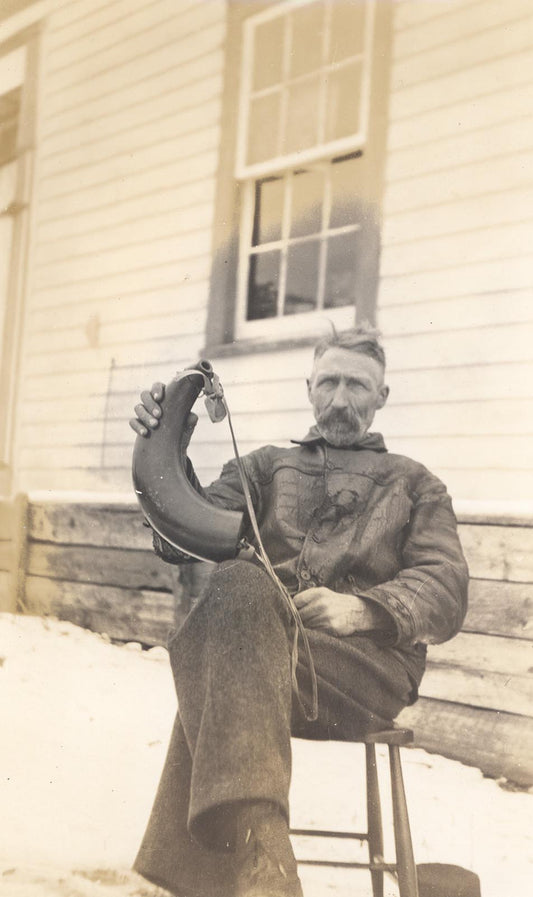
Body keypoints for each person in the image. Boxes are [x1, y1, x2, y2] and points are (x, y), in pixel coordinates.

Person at [129, 325, 469, 897]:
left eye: (357, 386)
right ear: (309, 387)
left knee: (220, 663)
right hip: (261, 665)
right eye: (329, 382)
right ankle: (265, 852)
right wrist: (168, 446)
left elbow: (446, 586)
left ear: (382, 396)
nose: (341, 399)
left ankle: (225, 872)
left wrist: (363, 609)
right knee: (238, 584)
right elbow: (184, 537)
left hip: (361, 673)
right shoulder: (263, 469)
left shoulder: (416, 484)